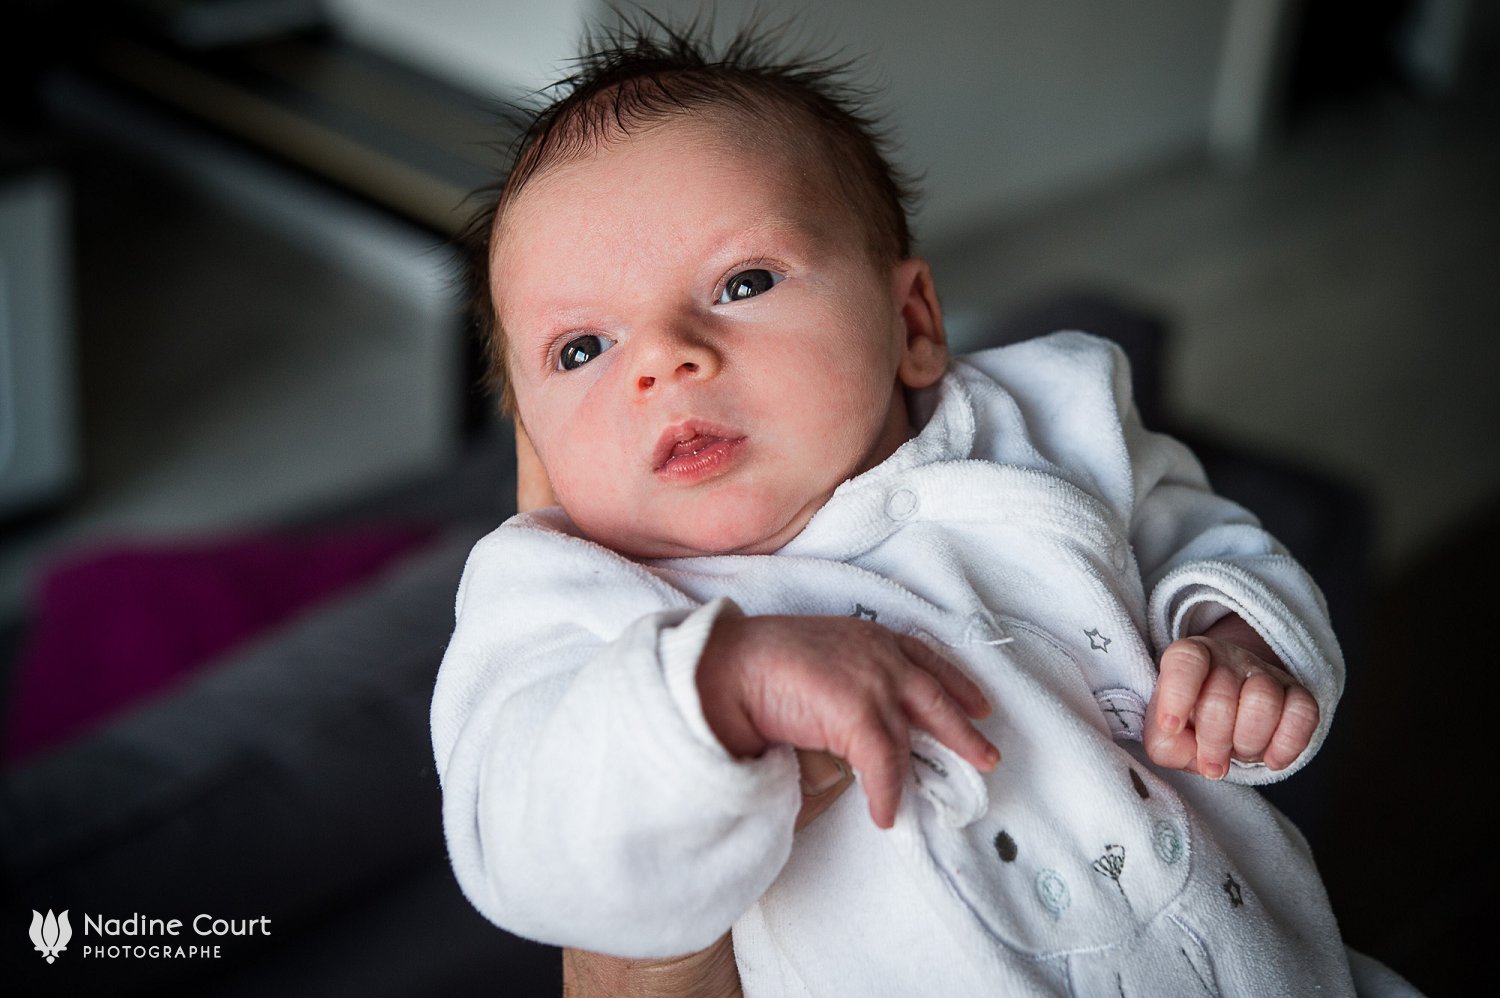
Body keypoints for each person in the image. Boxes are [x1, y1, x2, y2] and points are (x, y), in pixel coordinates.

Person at [432, 18, 1415, 996]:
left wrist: (1235, 630)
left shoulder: (1042, 418)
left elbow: (1194, 532)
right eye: (580, 349)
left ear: (911, 323)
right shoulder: (563, 597)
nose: (663, 358)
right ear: (533, 437)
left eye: (742, 281)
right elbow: (519, 835)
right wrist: (714, 690)